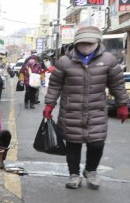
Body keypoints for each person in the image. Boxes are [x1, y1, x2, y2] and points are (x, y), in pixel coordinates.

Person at [43, 26, 129, 190]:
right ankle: (74, 174)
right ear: (76, 43)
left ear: (98, 42)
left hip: (96, 110)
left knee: (96, 144)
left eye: (90, 43)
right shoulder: (65, 62)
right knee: (73, 144)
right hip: (71, 111)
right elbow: (55, 85)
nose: (86, 46)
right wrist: (49, 104)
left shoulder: (109, 60)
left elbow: (117, 85)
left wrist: (122, 105)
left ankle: (91, 171)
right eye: (83, 43)